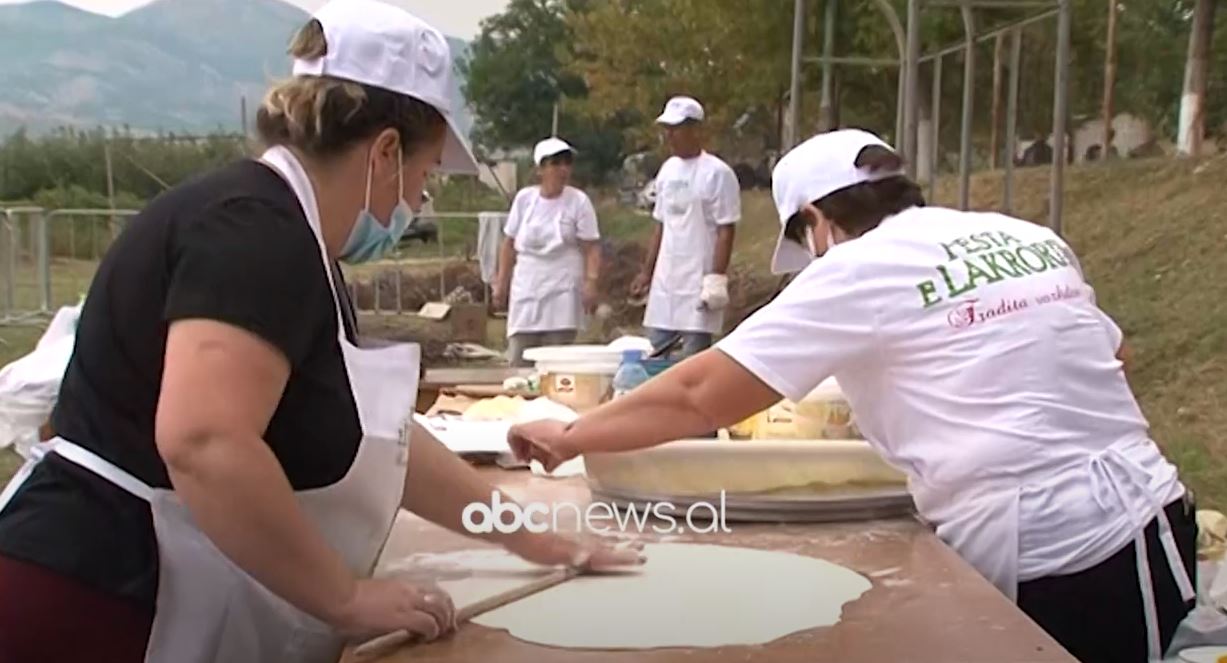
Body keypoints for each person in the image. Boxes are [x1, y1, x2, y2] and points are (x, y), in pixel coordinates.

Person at [0, 3, 640, 662]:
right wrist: (344, 596)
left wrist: (530, 534)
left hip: (134, 586)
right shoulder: (252, 234)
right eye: (423, 177)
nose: (418, 202)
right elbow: (204, 439)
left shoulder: (295, 243)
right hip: (89, 598)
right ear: (386, 151)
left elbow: (385, 443)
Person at [511, 129, 1197, 663]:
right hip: (1154, 515)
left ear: (815, 218)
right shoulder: (1022, 236)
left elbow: (699, 394)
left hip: (1059, 551)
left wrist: (570, 434)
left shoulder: (855, 266)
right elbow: (1113, 353)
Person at [630, 96, 741, 357]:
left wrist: (716, 278)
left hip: (697, 277)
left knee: (691, 356)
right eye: (667, 130)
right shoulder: (668, 170)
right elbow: (660, 225)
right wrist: (646, 272)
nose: (670, 136)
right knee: (656, 352)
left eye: (676, 129)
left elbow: (726, 228)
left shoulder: (717, 173)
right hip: (666, 279)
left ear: (695, 130)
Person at [493, 137, 602, 367]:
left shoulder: (578, 201)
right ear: (540, 169)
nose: (563, 169)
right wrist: (501, 282)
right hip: (527, 285)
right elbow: (509, 243)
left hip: (562, 287)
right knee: (519, 355)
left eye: (567, 163)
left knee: (557, 359)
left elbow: (591, 247)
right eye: (555, 163)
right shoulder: (525, 199)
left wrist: (591, 282)